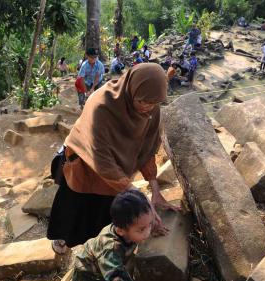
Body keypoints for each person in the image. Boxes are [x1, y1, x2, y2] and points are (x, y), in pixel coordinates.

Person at [48, 64, 179, 255]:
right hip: (86, 165)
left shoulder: (152, 109)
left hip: (118, 170)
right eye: (142, 101)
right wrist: (140, 197)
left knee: (105, 214)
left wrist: (155, 191)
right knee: (77, 209)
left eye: (153, 103)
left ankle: (101, 252)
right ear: (131, 88)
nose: (147, 108)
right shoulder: (101, 105)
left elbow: (148, 148)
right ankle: (64, 240)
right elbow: (100, 158)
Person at [72, 189, 171, 281]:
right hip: (89, 277)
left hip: (102, 266)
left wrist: (154, 223)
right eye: (142, 229)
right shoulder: (111, 248)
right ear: (121, 230)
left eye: (150, 224)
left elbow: (145, 203)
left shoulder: (128, 228)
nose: (147, 232)